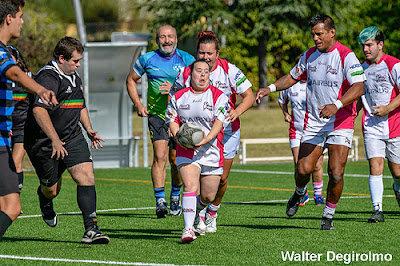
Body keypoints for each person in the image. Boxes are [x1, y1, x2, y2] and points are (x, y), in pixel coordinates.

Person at [256, 14, 366, 230]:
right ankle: (299, 193)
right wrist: (269, 88)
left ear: (331, 33)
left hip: (340, 122)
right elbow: (292, 77)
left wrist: (336, 105)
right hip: (314, 123)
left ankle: (328, 214)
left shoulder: (346, 56)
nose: (315, 38)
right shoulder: (308, 56)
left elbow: (359, 87)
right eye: (313, 34)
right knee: (303, 169)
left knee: (336, 172)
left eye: (319, 33)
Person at [24, 36, 109, 244]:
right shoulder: (48, 78)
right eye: (75, 61)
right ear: (62, 58)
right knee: (52, 189)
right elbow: (38, 110)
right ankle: (45, 199)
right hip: (44, 142)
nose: (78, 65)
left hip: (72, 137)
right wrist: (54, 139)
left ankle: (91, 229)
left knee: (86, 176)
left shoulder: (73, 76)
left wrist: (88, 129)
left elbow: (79, 105)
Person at [172, 31, 254, 233]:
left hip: (227, 131)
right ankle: (196, 217)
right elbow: (175, 98)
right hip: (196, 131)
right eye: (201, 53)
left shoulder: (229, 70)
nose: (205, 57)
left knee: (222, 178)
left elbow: (249, 96)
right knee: (194, 177)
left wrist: (236, 111)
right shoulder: (187, 72)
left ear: (217, 53)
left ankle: (212, 212)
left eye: (210, 53)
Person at [0, 0, 57, 239]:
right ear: (9, 18)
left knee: (12, 207)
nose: (23, 21)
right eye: (21, 16)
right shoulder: (1, 53)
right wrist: (40, 89)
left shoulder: (8, 51)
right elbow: (12, 71)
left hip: (3, 141)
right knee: (11, 207)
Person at [126, 25, 195, 218]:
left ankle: (175, 196)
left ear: (176, 39)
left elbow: (198, 85)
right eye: (163, 37)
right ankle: (160, 201)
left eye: (170, 36)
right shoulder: (147, 59)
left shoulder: (187, 59)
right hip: (157, 115)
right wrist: (138, 104)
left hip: (180, 116)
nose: (167, 40)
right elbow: (130, 80)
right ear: (157, 40)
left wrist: (174, 89)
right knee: (160, 156)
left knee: (176, 160)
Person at [166, 59, 229, 243]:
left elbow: (219, 122)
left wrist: (206, 139)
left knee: (208, 195)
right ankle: (187, 229)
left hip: (211, 149)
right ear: (190, 74)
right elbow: (172, 119)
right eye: (198, 71)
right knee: (190, 186)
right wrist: (179, 137)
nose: (202, 75)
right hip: (186, 149)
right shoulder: (179, 96)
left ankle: (197, 212)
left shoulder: (219, 96)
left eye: (206, 72)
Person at [358, 26, 400, 223]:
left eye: (369, 45)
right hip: (371, 126)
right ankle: (377, 210)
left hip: (394, 125)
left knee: (397, 171)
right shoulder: (361, 69)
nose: (365, 49)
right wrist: (353, 115)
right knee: (375, 167)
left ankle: (397, 188)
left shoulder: (394, 65)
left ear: (380, 45)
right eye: (363, 46)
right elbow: (359, 95)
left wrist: (388, 108)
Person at [278, 81, 325, 206]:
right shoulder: (290, 85)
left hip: (315, 130)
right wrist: (285, 113)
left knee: (317, 165)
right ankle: (302, 194)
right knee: (298, 164)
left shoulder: (316, 81)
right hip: (296, 130)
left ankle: (318, 194)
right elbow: (281, 99)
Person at [8, 45, 30, 194]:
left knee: (16, 162)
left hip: (23, 126)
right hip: (5, 126)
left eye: (11, 59)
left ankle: (15, 198)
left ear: (17, 59)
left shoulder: (27, 77)